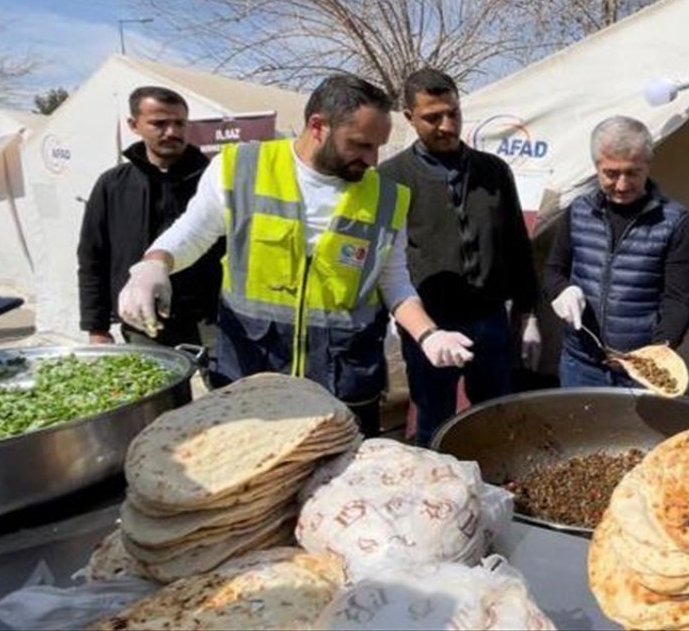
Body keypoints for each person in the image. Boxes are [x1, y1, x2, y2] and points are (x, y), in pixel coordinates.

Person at [115, 74, 474, 437]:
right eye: (361, 144)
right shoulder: (240, 167)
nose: (372, 159)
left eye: (378, 146)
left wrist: (429, 335)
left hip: (343, 379)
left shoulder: (388, 197)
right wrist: (154, 264)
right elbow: (192, 232)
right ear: (318, 126)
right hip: (254, 372)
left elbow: (394, 282)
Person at [379, 68, 540, 446]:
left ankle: (498, 486)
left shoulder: (493, 171)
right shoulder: (392, 177)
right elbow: (385, 259)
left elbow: (517, 243)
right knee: (434, 418)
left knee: (497, 416)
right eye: (433, 118)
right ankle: (436, 492)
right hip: (431, 323)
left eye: (453, 113)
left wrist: (528, 314)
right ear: (409, 117)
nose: (447, 125)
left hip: (490, 320)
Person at [543, 116, 689, 387]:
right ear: (596, 167)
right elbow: (554, 270)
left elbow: (679, 301)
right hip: (580, 363)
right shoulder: (579, 212)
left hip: (639, 368)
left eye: (633, 172)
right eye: (611, 173)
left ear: (647, 166)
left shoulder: (674, 222)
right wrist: (561, 290)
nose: (622, 185)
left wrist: (657, 353)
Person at [78, 86, 221, 347]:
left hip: (211, 316)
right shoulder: (113, 185)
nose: (172, 132)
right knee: (160, 388)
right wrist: (96, 327)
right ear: (134, 125)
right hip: (143, 317)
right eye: (159, 123)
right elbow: (93, 257)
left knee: (231, 388)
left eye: (179, 123)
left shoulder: (213, 179)